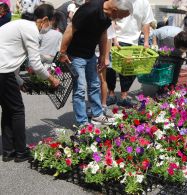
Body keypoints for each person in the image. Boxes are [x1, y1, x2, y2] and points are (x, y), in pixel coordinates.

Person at [0, 4, 60, 162]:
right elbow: (36, 64)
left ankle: (8, 151)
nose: (50, 28)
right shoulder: (31, 30)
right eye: (51, 24)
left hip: (4, 71)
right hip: (3, 72)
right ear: (45, 20)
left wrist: (19, 80)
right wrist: (52, 79)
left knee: (8, 110)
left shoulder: (21, 25)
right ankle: (20, 152)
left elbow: (10, 55)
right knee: (18, 111)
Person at [59, 0, 131, 126]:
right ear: (115, 10)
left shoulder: (108, 16)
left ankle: (97, 114)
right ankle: (82, 123)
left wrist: (103, 56)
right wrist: (63, 52)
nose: (120, 19)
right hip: (76, 55)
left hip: (90, 54)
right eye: (121, 16)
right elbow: (70, 29)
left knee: (94, 85)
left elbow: (103, 34)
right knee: (80, 89)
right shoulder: (90, 9)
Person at [106, 0, 154, 107]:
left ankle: (124, 96)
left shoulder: (144, 3)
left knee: (129, 71)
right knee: (111, 68)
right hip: (116, 39)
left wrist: (146, 41)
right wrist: (114, 38)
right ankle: (111, 94)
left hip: (133, 42)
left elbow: (146, 22)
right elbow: (111, 19)